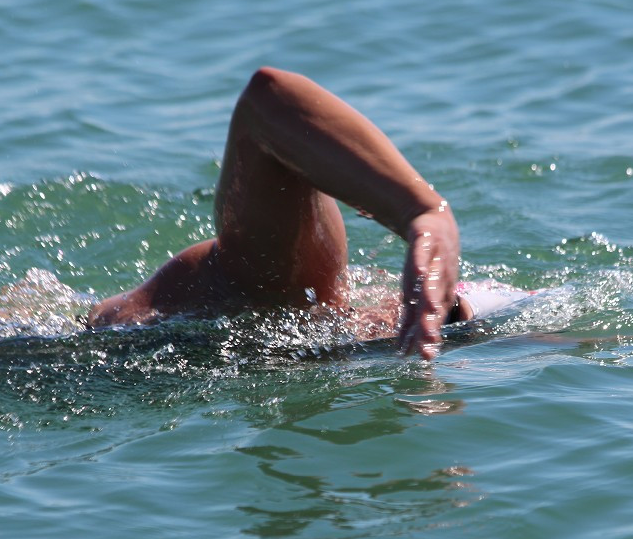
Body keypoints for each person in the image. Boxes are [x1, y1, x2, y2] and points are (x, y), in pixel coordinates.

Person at [86, 67, 471, 359]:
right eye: (423, 307)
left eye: (435, 317)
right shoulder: (291, 285)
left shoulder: (300, 332)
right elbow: (266, 98)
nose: (411, 319)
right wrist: (423, 211)